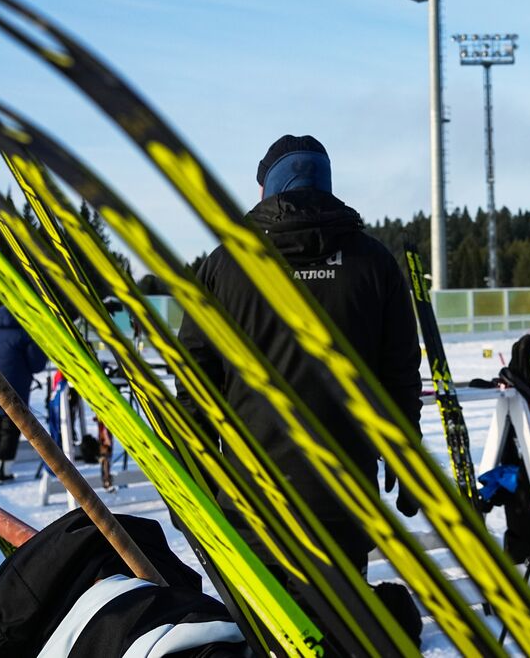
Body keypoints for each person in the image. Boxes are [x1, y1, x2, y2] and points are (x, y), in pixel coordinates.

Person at [177, 134, 425, 643]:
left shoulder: (225, 265)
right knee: (339, 625)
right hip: (345, 493)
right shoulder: (373, 261)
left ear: (269, 187)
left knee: (265, 629)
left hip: (251, 492)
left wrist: (196, 465)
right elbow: (399, 372)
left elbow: (194, 379)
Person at [0, 305, 48, 483]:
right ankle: (4, 471)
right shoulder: (23, 335)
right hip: (14, 391)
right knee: (10, 429)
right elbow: (37, 364)